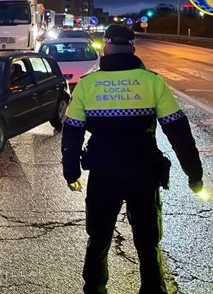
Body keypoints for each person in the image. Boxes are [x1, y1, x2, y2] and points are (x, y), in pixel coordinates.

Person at [61, 25, 204, 294]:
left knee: (99, 238)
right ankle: (152, 289)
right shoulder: (152, 82)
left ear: (105, 47)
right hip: (143, 172)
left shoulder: (88, 85)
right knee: (148, 241)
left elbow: (71, 134)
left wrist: (71, 173)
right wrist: (194, 174)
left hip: (104, 174)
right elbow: (179, 132)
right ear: (133, 48)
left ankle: (95, 288)